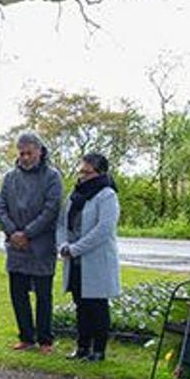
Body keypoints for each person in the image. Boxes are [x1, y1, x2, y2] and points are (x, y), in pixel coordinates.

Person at [0, 133, 63, 354]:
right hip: (15, 246)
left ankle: (45, 340)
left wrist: (28, 233)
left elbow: (51, 209)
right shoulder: (10, 177)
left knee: (43, 295)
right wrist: (13, 232)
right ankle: (26, 336)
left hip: (41, 245)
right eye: (21, 153)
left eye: (29, 153)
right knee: (18, 293)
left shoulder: (52, 177)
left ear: (40, 151)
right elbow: (1, 206)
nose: (24, 157)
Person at [57, 153, 121, 362]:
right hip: (75, 260)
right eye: (81, 171)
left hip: (95, 260)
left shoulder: (107, 195)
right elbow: (62, 224)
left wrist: (76, 248)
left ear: (100, 172)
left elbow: (104, 229)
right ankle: (82, 347)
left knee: (97, 306)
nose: (82, 176)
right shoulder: (74, 194)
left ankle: (99, 350)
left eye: (87, 172)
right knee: (81, 305)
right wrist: (64, 244)